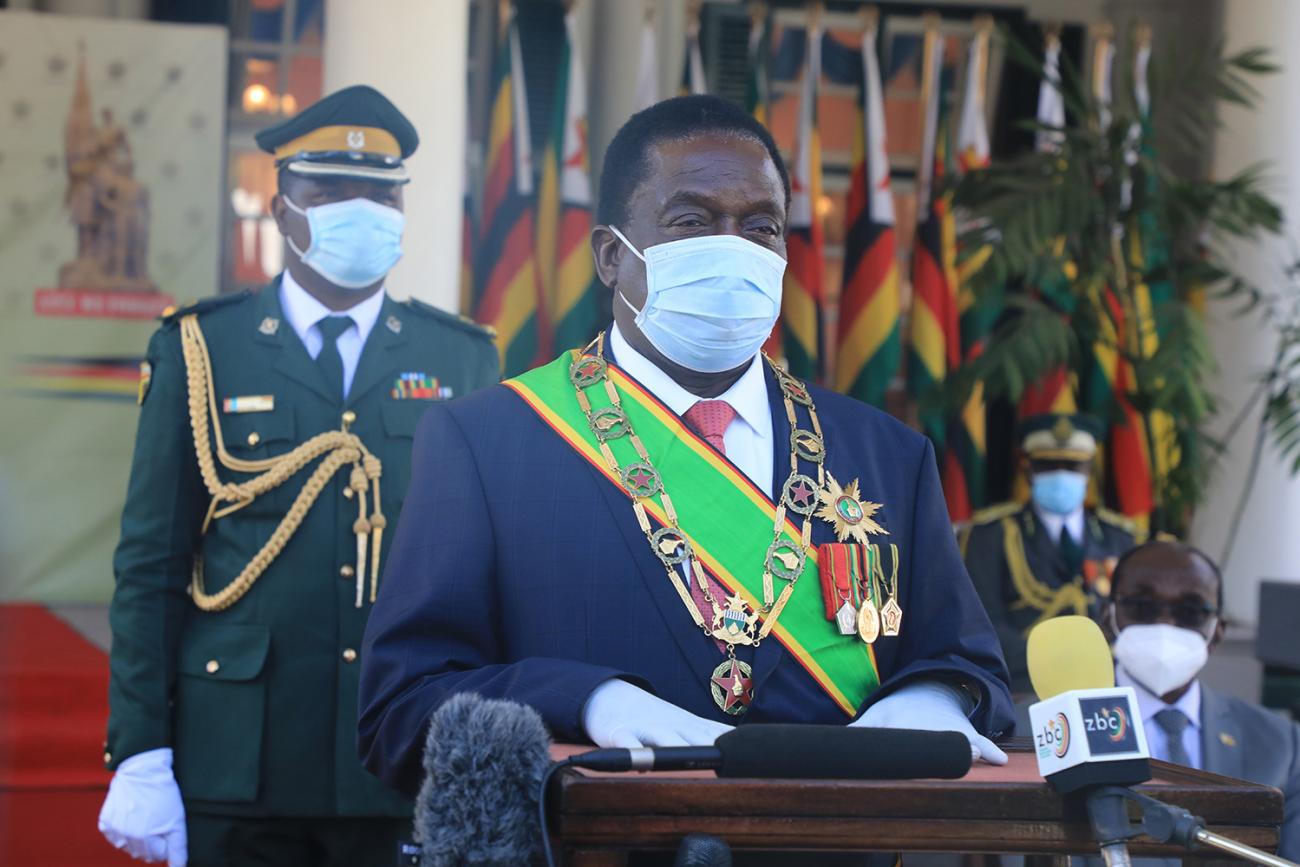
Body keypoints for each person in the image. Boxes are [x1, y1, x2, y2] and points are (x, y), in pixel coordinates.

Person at [358, 95, 1014, 799]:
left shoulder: (886, 453)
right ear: (612, 256)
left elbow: (966, 664)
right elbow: (402, 707)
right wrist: (589, 702)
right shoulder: (489, 443)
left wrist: (936, 701)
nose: (733, 247)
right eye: (693, 220)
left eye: (761, 225)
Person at [98, 85, 499, 867]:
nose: (363, 209)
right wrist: (141, 749)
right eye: (332, 190)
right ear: (283, 211)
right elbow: (150, 567)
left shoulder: (461, 357)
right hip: (238, 760)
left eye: (381, 194)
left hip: (399, 754)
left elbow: (484, 572)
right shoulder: (203, 349)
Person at [1103, 540, 1299, 860]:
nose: (1164, 625)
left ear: (1217, 632)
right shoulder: (1049, 729)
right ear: (1107, 617)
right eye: (1142, 606)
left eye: (1189, 611)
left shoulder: (1281, 744)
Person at [959, 413, 1141, 694]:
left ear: (1089, 470)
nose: (1060, 474)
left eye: (1072, 466)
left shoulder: (1120, 538)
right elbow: (984, 620)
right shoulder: (991, 536)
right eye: (1047, 465)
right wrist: (1060, 667)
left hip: (1106, 686)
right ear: (1027, 469)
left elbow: (1133, 618)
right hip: (1021, 686)